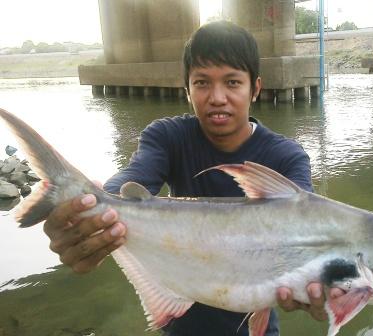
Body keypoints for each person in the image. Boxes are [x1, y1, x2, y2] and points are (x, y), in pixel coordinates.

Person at [43, 21, 341, 335]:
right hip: (181, 320)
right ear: (187, 89)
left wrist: (324, 291)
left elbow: (308, 234)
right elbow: (134, 179)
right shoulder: (168, 136)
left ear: (255, 88)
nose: (217, 97)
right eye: (202, 83)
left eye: (232, 82)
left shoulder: (286, 158)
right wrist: (93, 209)